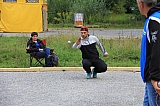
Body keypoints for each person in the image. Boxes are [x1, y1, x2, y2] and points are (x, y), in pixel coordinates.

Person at [137, 0, 160, 105]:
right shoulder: (151, 18)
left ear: (141, 3)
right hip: (149, 78)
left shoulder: (155, 20)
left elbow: (157, 49)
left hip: (154, 79)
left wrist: (156, 77)